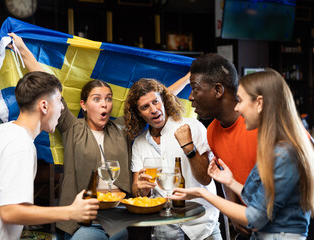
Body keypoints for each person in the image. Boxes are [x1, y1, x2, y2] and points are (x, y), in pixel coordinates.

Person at [9, 32, 131, 240]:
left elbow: (148, 104)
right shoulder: (73, 127)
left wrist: (183, 79)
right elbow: (48, 90)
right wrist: (23, 50)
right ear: (83, 105)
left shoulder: (120, 128)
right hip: (83, 222)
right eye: (97, 99)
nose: (104, 104)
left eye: (108, 99)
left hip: (118, 220)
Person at [0, 71, 100, 240]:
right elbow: (10, 212)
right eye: (59, 100)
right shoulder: (21, 145)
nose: (62, 107)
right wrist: (71, 212)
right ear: (44, 106)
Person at [171, 69, 314, 239]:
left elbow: (256, 217)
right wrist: (230, 181)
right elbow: (258, 197)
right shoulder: (272, 145)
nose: (237, 108)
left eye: (240, 101)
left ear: (259, 103)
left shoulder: (283, 152)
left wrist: (204, 194)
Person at [172, 53, 257, 238]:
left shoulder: (259, 121)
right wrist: (233, 212)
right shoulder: (211, 131)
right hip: (249, 222)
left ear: (218, 90)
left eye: (195, 88)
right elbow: (225, 175)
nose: (190, 97)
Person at [124, 78, 221, 240]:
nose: (154, 110)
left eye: (156, 102)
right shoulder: (139, 143)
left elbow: (205, 178)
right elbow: (137, 190)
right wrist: (142, 189)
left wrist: (188, 147)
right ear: (138, 113)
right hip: (165, 230)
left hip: (202, 225)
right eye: (145, 107)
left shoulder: (192, 127)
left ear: (164, 100)